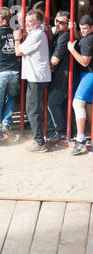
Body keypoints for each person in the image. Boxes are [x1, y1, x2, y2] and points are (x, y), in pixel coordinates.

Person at [14, 9, 51, 152]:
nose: (27, 25)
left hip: (37, 77)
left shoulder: (37, 35)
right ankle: (40, 139)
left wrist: (17, 39)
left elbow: (18, 51)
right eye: (26, 22)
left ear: (39, 23)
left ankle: (40, 142)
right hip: (36, 76)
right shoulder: (37, 33)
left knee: (33, 109)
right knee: (34, 108)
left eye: (30, 22)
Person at [0, 7, 20, 145]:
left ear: (3, 20)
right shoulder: (15, 32)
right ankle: (6, 122)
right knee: (11, 97)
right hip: (13, 71)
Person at [67, 15, 93, 156]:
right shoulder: (87, 37)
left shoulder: (89, 40)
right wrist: (74, 30)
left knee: (77, 103)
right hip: (88, 75)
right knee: (89, 106)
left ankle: (81, 138)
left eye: (85, 29)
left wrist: (72, 50)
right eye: (81, 29)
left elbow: (84, 62)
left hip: (89, 75)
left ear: (92, 27)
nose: (82, 31)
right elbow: (81, 38)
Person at [46, 11, 71, 142]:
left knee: (52, 102)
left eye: (61, 22)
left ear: (68, 25)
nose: (57, 24)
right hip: (60, 76)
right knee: (56, 103)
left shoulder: (64, 37)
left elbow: (54, 60)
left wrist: (46, 67)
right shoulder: (59, 34)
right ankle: (56, 130)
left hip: (64, 77)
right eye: (56, 21)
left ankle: (60, 131)